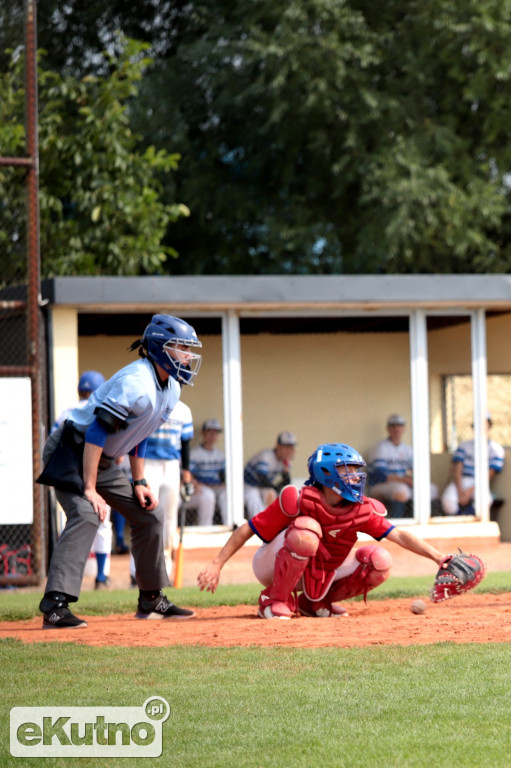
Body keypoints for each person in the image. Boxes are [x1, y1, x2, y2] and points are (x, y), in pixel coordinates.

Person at [37, 314, 202, 628]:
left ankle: (151, 599)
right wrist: (89, 488)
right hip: (73, 451)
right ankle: (55, 605)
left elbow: (141, 433)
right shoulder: (136, 381)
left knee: (149, 514)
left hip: (106, 460)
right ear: (160, 348)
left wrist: (139, 481)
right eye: (181, 347)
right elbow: (97, 432)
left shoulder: (171, 389)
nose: (187, 355)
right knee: (86, 515)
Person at [198, 442, 453, 620]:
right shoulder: (297, 499)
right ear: (328, 473)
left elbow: (399, 535)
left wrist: (438, 557)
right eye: (349, 470)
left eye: (356, 471)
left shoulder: (359, 508)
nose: (355, 477)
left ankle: (314, 602)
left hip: (320, 568)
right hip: (271, 565)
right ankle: (273, 599)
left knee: (380, 561)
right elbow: (247, 529)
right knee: (307, 531)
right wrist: (216, 564)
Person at [51, 370, 113, 590]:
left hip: (65, 473)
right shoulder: (99, 411)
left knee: (71, 523)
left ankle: (63, 580)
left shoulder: (65, 413)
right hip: (92, 473)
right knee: (102, 521)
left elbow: (52, 443)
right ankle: (101, 577)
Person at [133, 400, 194, 581]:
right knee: (147, 514)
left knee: (169, 518)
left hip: (172, 465)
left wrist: (187, 478)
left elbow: (186, 446)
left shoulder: (184, 410)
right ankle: (138, 571)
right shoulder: (151, 404)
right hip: (148, 463)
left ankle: (164, 571)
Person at [367, 414, 438, 517]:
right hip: (378, 485)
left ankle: (423, 518)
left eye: (399, 426)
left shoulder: (407, 449)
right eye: (393, 426)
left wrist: (414, 481)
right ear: (388, 429)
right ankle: (397, 522)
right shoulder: (381, 447)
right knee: (401, 490)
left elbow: (418, 470)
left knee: (431, 489)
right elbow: (379, 476)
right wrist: (406, 480)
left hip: (401, 483)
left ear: (404, 429)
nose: (396, 429)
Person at [441, 413, 505, 516]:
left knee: (485, 501)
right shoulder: (464, 446)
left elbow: (489, 475)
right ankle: (459, 522)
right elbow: (457, 469)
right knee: (448, 501)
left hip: (478, 483)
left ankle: (468, 519)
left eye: (484, 424)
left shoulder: (496, 449)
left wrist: (468, 492)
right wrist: (460, 490)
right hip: (461, 480)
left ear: (489, 425)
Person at [181, 419, 227, 525]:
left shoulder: (220, 454)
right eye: (210, 432)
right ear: (203, 433)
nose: (212, 435)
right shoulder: (194, 453)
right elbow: (189, 474)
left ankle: (228, 524)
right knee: (207, 495)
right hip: (201, 487)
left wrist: (225, 483)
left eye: (215, 432)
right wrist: (194, 483)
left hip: (216, 487)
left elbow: (224, 474)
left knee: (226, 494)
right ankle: (206, 527)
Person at [244, 432, 297, 519]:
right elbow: (262, 480)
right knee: (253, 495)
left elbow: (286, 485)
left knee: (271, 493)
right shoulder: (266, 456)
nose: (289, 451)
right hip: (246, 485)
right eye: (286, 447)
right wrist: (276, 488)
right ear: (278, 446)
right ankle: (258, 523)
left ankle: (270, 521)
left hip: (260, 487)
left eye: (291, 447)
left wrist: (286, 472)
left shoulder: (286, 461)